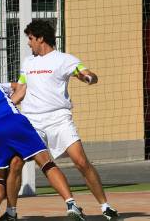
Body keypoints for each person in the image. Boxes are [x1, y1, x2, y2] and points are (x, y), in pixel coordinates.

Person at [13, 19, 119, 220]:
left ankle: (105, 206)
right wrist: (7, 108)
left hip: (59, 119)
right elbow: (21, 89)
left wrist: (88, 77)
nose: (29, 43)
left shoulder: (64, 59)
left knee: (81, 162)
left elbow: (84, 73)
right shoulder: (28, 63)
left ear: (41, 38)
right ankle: (11, 212)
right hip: (32, 121)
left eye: (31, 38)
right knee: (16, 162)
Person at [0, 77, 86, 221]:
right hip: (16, 121)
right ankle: (71, 206)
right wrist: (10, 102)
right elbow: (19, 87)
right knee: (46, 164)